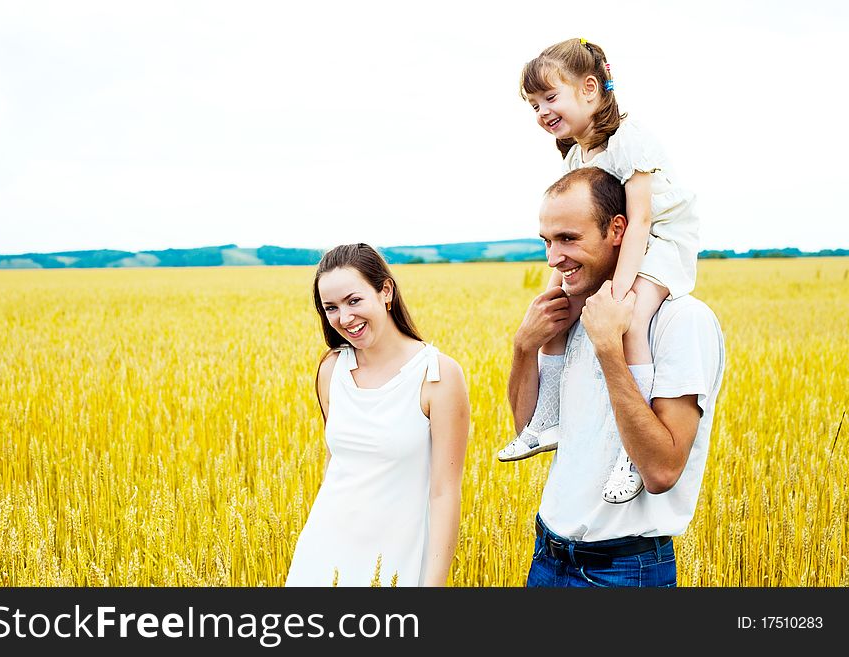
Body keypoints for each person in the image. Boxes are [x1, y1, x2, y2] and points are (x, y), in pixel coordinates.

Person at [497, 38, 699, 506]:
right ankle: (545, 421)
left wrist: (621, 296)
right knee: (556, 315)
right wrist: (555, 298)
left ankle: (632, 456)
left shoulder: (631, 138)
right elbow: (574, 229)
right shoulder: (576, 155)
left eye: (550, 97)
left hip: (662, 243)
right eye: (533, 105)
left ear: (590, 89)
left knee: (633, 324)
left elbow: (641, 220)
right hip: (629, 243)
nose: (542, 112)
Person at [510, 167, 725, 587]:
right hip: (547, 556)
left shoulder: (682, 321)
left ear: (617, 229)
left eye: (569, 238)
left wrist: (610, 348)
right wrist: (523, 348)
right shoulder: (574, 310)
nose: (554, 258)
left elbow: (661, 471)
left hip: (624, 571)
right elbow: (529, 428)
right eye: (547, 241)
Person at [285, 243, 470, 587]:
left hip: (396, 561)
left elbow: (445, 493)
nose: (345, 318)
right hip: (322, 555)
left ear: (385, 290)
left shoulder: (438, 374)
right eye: (331, 308)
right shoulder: (331, 369)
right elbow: (335, 465)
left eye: (354, 301)